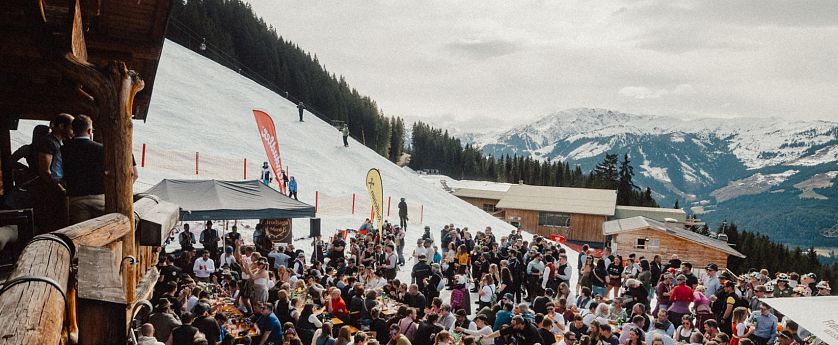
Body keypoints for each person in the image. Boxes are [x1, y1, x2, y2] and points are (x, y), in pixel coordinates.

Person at [60, 115, 105, 224]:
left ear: (73, 130)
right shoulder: (101, 149)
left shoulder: (63, 149)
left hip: (76, 199)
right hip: (100, 198)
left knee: (81, 235)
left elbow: (56, 174)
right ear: (90, 130)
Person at [34, 113, 74, 232]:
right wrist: (61, 190)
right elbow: (45, 171)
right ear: (62, 126)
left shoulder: (59, 143)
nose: (74, 131)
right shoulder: (48, 142)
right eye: (72, 128)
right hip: (48, 192)